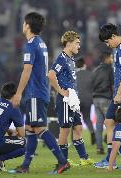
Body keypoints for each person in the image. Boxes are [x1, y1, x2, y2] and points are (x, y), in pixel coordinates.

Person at [11, 12, 69, 174]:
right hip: (39, 90)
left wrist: (18, 93)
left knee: (38, 128)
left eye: (24, 23)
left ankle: (62, 161)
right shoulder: (41, 43)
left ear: (28, 26)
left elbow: (27, 70)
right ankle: (25, 166)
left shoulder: (30, 44)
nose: (22, 26)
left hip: (35, 92)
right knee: (30, 128)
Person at [94, 23, 121, 169]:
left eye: (108, 41)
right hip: (119, 93)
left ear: (113, 36)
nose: (108, 44)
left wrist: (118, 93)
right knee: (108, 122)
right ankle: (109, 158)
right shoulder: (119, 49)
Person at [48, 31, 94, 166]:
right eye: (77, 43)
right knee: (65, 130)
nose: (79, 46)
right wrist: (61, 91)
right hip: (64, 101)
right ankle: (63, 160)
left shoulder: (71, 59)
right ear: (68, 44)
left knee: (78, 128)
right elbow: (51, 74)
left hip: (73, 100)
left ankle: (84, 158)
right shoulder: (61, 59)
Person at [91, 50, 113, 154]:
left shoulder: (95, 70)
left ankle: (99, 147)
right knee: (110, 123)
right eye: (111, 57)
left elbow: (91, 85)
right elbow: (112, 85)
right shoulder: (109, 69)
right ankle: (112, 147)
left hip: (96, 99)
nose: (112, 59)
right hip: (106, 98)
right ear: (107, 58)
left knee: (99, 124)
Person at [75, 57, 95, 145]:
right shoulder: (91, 74)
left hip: (77, 100)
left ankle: (75, 139)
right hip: (88, 99)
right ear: (85, 65)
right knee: (87, 118)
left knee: (75, 119)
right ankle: (92, 131)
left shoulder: (74, 75)